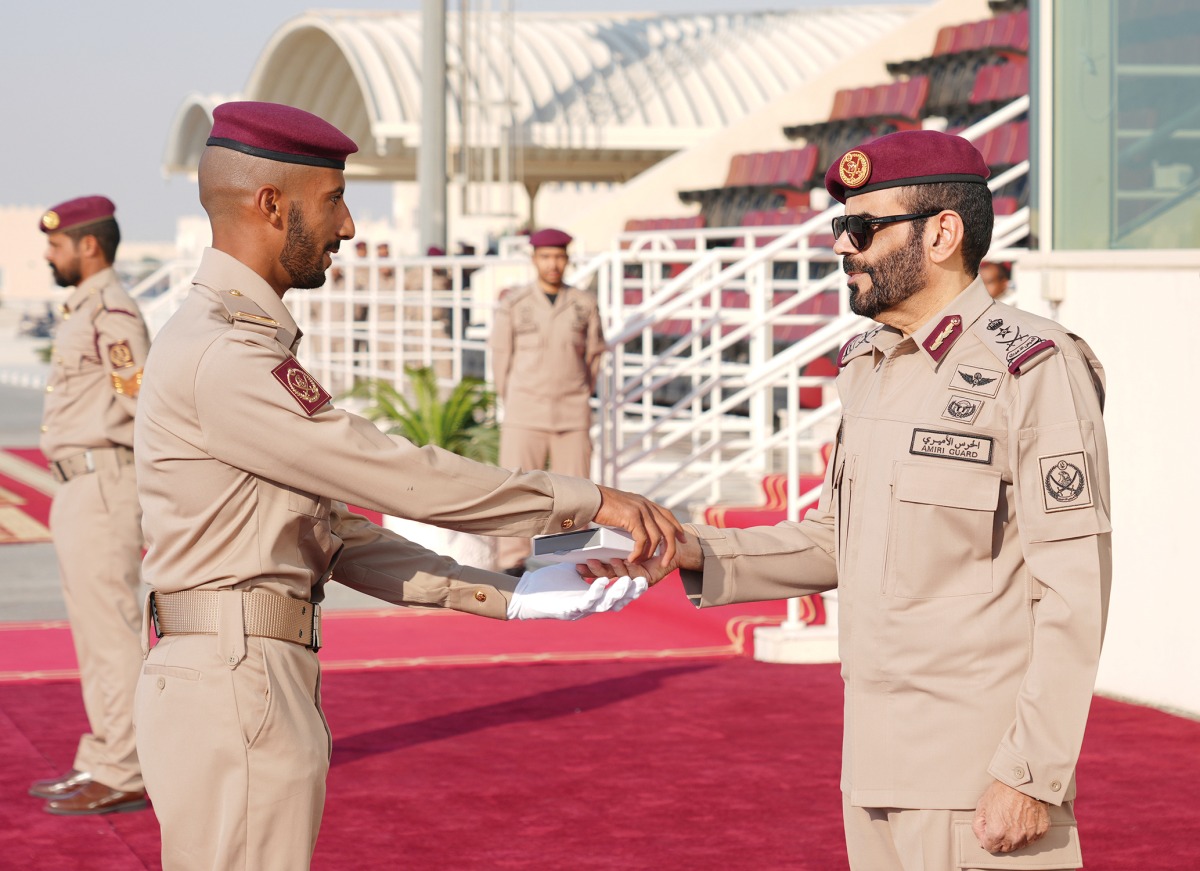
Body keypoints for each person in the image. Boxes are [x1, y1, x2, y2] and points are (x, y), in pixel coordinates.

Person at [132, 100, 681, 871]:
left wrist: (503, 592)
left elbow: (330, 534)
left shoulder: (228, 341)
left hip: (240, 673)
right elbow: (397, 474)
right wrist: (586, 499)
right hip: (236, 682)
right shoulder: (228, 357)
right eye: (335, 200)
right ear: (271, 204)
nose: (350, 226)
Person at [589, 130, 1110, 871]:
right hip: (872, 772)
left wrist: (1030, 773)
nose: (842, 247)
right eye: (842, 227)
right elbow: (838, 539)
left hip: (980, 780)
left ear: (942, 232)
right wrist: (690, 546)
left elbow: (1073, 595)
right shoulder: (868, 366)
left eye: (862, 228)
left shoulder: (1033, 367)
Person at [30, 196, 150, 815]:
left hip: (104, 485)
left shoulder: (110, 311)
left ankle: (127, 769)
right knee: (93, 635)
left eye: (56, 246)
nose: (49, 256)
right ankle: (104, 758)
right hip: (80, 486)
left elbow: (141, 403)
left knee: (112, 633)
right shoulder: (86, 308)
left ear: (89, 246)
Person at [490, 228, 606, 573]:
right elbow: (501, 357)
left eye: (558, 256)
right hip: (525, 410)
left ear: (567, 259)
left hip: (572, 410)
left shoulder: (584, 304)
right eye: (545, 257)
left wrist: (580, 392)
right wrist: (511, 399)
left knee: (576, 493)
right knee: (515, 489)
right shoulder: (514, 304)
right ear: (534, 259)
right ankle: (512, 560)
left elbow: (594, 356)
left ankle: (571, 561)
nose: (552, 264)